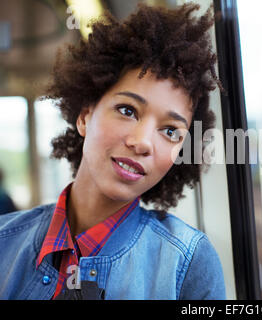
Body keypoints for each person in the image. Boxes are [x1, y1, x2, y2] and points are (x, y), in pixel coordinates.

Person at [0, 3, 226, 300]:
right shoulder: (4, 241)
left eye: (171, 131)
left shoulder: (188, 263)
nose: (143, 142)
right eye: (127, 110)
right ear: (84, 115)